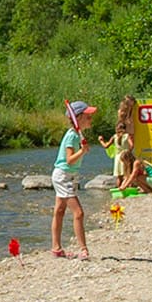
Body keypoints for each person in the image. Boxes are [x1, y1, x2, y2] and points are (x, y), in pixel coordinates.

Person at [51, 99, 98, 260]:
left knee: (59, 211)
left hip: (68, 175)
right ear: (78, 118)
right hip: (64, 175)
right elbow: (69, 159)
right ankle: (83, 249)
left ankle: (56, 248)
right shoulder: (72, 136)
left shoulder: (76, 134)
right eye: (88, 117)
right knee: (78, 212)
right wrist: (83, 151)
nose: (91, 119)